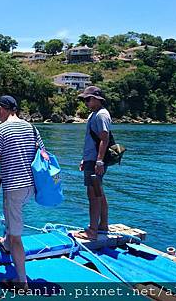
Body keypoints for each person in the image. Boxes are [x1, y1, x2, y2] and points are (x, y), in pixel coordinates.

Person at [0, 95, 47, 289]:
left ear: (2, 109)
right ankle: (6, 243)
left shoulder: (1, 129)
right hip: (31, 186)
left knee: (16, 235)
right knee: (11, 218)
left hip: (14, 186)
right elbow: (42, 153)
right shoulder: (31, 127)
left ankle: (21, 281)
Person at [77, 86, 112, 240]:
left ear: (97, 99)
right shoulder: (95, 114)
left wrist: (98, 161)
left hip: (96, 161)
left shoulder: (101, 115)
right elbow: (93, 139)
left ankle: (92, 231)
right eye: (85, 99)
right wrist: (86, 159)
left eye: (88, 99)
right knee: (99, 193)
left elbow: (105, 138)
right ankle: (103, 225)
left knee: (93, 195)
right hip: (91, 159)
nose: (86, 102)